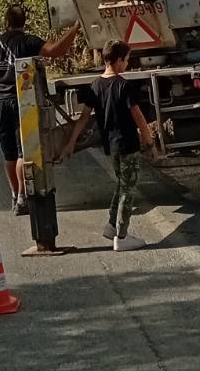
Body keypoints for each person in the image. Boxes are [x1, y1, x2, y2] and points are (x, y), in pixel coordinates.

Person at [0, 3, 79, 214]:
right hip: (23, 102)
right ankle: (21, 198)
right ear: (24, 22)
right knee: (23, 151)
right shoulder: (29, 42)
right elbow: (55, 51)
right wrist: (74, 29)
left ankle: (14, 195)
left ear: (6, 22)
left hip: (2, 102)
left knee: (9, 153)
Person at [65, 40, 157, 250]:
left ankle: (111, 226)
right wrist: (150, 143)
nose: (127, 64)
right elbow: (139, 118)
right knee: (128, 189)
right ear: (118, 60)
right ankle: (122, 237)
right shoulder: (124, 86)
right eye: (127, 60)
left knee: (121, 183)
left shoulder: (95, 85)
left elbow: (83, 118)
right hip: (128, 145)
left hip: (111, 146)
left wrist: (71, 143)